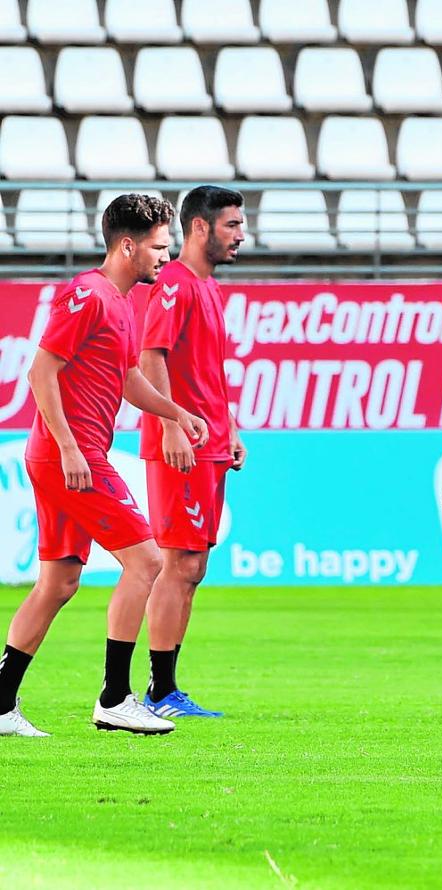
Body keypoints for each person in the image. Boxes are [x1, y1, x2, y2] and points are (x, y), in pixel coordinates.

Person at [0, 194, 209, 737]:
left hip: (73, 455)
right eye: (159, 247)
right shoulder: (87, 295)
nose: (165, 257)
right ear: (126, 244)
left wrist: (175, 412)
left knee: (59, 582)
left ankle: (0, 703)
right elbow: (41, 371)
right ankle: (115, 697)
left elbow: (129, 380)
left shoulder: (121, 303)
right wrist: (70, 447)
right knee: (147, 562)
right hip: (73, 457)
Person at [139, 186, 246, 719]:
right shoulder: (174, 285)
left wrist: (230, 426)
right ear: (199, 227)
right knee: (178, 562)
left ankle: (166, 687)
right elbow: (150, 356)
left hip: (210, 445)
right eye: (231, 225)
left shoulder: (207, 287)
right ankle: (158, 691)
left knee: (194, 565)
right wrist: (170, 427)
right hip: (181, 446)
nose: (241, 235)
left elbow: (207, 371)